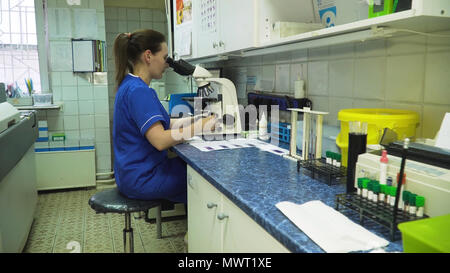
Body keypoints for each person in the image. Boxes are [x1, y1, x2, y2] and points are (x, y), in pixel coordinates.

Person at [112, 29, 215, 204]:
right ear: (148, 56)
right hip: (143, 178)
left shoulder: (130, 85)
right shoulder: (139, 91)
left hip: (131, 174)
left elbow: (164, 123)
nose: (167, 64)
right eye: (164, 57)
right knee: (206, 177)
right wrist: (200, 127)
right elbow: (160, 140)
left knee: (193, 169)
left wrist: (197, 119)